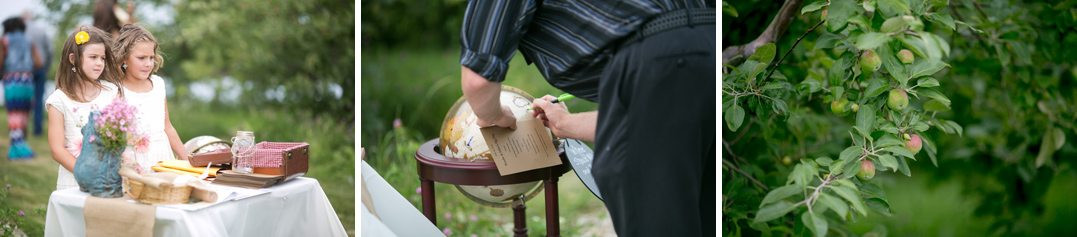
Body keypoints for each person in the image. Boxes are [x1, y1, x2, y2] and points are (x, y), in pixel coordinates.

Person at [458, 1, 716, 235]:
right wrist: (567, 124)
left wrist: (496, 115)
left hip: (659, 60)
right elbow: (653, 112)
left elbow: (478, 80)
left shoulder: (655, 49)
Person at [46, 26, 124, 190]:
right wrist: (87, 175)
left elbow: (120, 136)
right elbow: (57, 149)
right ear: (73, 59)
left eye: (102, 58)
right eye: (93, 57)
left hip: (108, 178)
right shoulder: (59, 100)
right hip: (73, 178)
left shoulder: (112, 92)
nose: (99, 63)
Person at [112, 24, 187, 173]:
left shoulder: (158, 84)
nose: (148, 64)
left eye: (151, 57)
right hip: (133, 160)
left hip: (163, 157)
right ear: (124, 59)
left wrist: (187, 160)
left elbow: (167, 126)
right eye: (141, 58)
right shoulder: (116, 90)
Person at [1, 17, 42, 160]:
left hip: (12, 79)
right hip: (27, 79)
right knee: (24, 114)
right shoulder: (28, 40)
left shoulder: (5, 40)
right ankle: (21, 145)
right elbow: (39, 62)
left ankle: (16, 149)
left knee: (13, 114)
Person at [22, 11, 53, 136]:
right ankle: (37, 130)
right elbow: (50, 50)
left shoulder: (22, 32)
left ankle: (22, 129)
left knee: (23, 98)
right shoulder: (41, 30)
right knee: (39, 99)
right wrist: (46, 67)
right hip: (40, 68)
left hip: (25, 69)